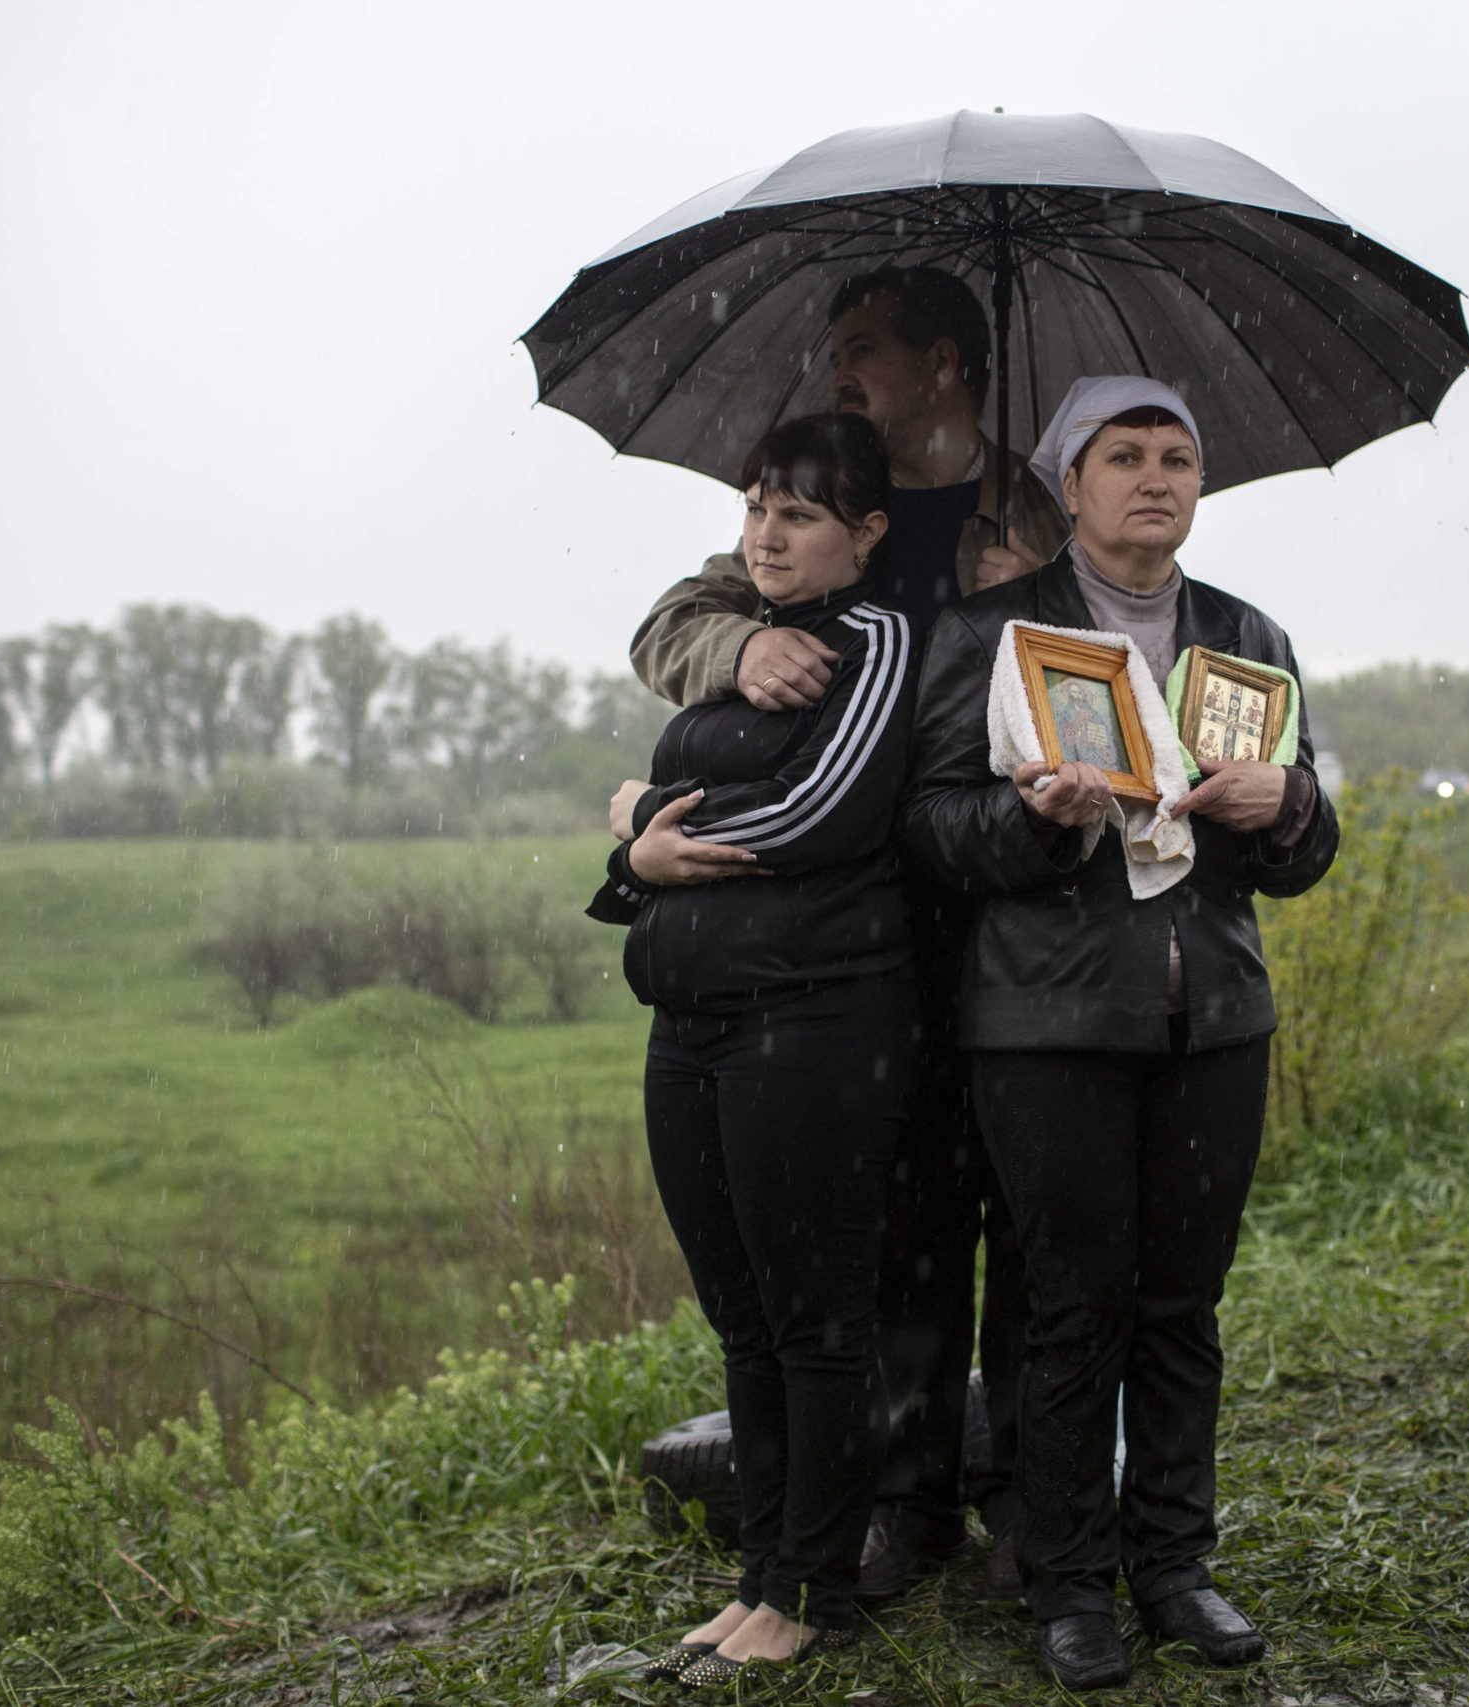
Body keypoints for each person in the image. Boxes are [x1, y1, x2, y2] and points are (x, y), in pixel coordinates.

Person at [626, 265, 1074, 1600]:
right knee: (902, 1225)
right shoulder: (825, 492)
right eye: (836, 350)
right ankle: (903, 1496)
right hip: (859, 933)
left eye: (865, 349)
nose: (840, 373)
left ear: (948, 362)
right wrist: (739, 655)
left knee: (1030, 1220)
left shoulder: (1031, 511)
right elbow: (672, 622)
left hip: (1007, 901)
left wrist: (1035, 594)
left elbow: (1104, 668)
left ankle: (1037, 1504)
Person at [899, 376, 1341, 1689]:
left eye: (1178, 457)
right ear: (1069, 485)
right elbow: (929, 828)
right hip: (1047, 1023)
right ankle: (1069, 1582)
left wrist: (1291, 799)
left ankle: (1175, 1566)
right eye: (1125, 456)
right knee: (1070, 1310)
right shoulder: (991, 630)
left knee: (1181, 1308)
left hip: (1214, 1018)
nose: (1158, 477)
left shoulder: (1245, 632)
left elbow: (1297, 857)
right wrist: (1034, 822)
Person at [590, 412, 917, 1683]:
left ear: (865, 534)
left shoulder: (876, 641)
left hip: (813, 1024)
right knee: (741, 1322)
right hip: (690, 1022)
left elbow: (826, 809)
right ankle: (758, 1576)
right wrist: (635, 841)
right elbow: (663, 813)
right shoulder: (733, 646)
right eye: (756, 509)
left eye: (799, 515)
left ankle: (813, 1587)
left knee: (817, 1322)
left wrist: (648, 826)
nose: (767, 536)